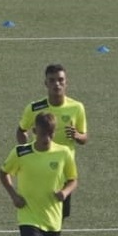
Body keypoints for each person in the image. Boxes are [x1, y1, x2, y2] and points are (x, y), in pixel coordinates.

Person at [16, 64, 87, 226]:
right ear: (46, 84)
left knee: (58, 217)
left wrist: (77, 135)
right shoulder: (34, 108)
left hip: (62, 173)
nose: (57, 84)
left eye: (61, 80)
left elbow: (84, 137)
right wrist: (26, 150)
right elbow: (21, 131)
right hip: (38, 170)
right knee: (35, 216)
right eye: (52, 80)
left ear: (66, 83)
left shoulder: (77, 108)